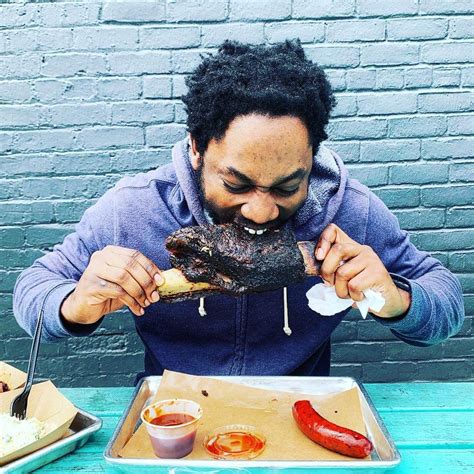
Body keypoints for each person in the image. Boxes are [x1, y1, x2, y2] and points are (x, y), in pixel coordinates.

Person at [13, 40, 464, 382]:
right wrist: (76, 305)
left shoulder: (351, 212)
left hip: (299, 411)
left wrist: (394, 298)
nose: (263, 212)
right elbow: (31, 295)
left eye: (288, 186)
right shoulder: (132, 210)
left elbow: (445, 303)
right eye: (236, 184)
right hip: (174, 411)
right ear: (196, 149)